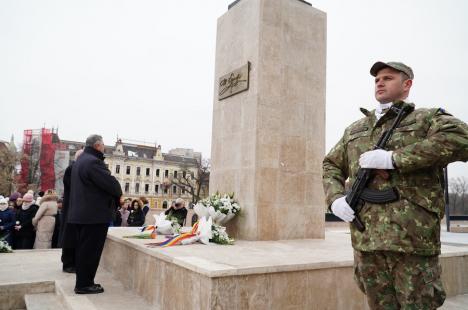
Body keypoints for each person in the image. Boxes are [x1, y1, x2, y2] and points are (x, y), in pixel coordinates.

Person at [322, 61, 468, 309]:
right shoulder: (355, 130)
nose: (380, 82)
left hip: (412, 242)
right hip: (367, 241)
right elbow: (330, 165)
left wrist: (395, 158)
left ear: (407, 84)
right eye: (377, 79)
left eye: (388, 78)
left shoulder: (425, 118)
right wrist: (335, 198)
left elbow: (461, 139)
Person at [68, 135, 122, 294]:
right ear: (98, 146)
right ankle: (84, 284)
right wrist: (117, 191)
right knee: (90, 251)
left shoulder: (81, 161)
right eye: (104, 144)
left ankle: (84, 281)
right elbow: (112, 185)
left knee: (84, 249)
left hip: (83, 213)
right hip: (93, 215)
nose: (105, 147)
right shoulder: (93, 162)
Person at [60, 149, 83, 273]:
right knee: (69, 237)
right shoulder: (72, 169)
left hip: (74, 207)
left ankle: (72, 262)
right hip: (70, 207)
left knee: (73, 237)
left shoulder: (75, 168)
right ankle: (68, 263)